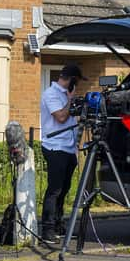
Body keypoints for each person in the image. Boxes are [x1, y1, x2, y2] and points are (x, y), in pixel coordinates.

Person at [40, 64, 86, 243]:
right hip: (54, 147)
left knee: (64, 189)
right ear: (71, 80)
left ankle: (58, 223)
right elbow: (60, 117)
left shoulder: (66, 95)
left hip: (68, 148)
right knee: (55, 189)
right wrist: (70, 100)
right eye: (77, 82)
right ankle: (47, 229)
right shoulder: (51, 94)